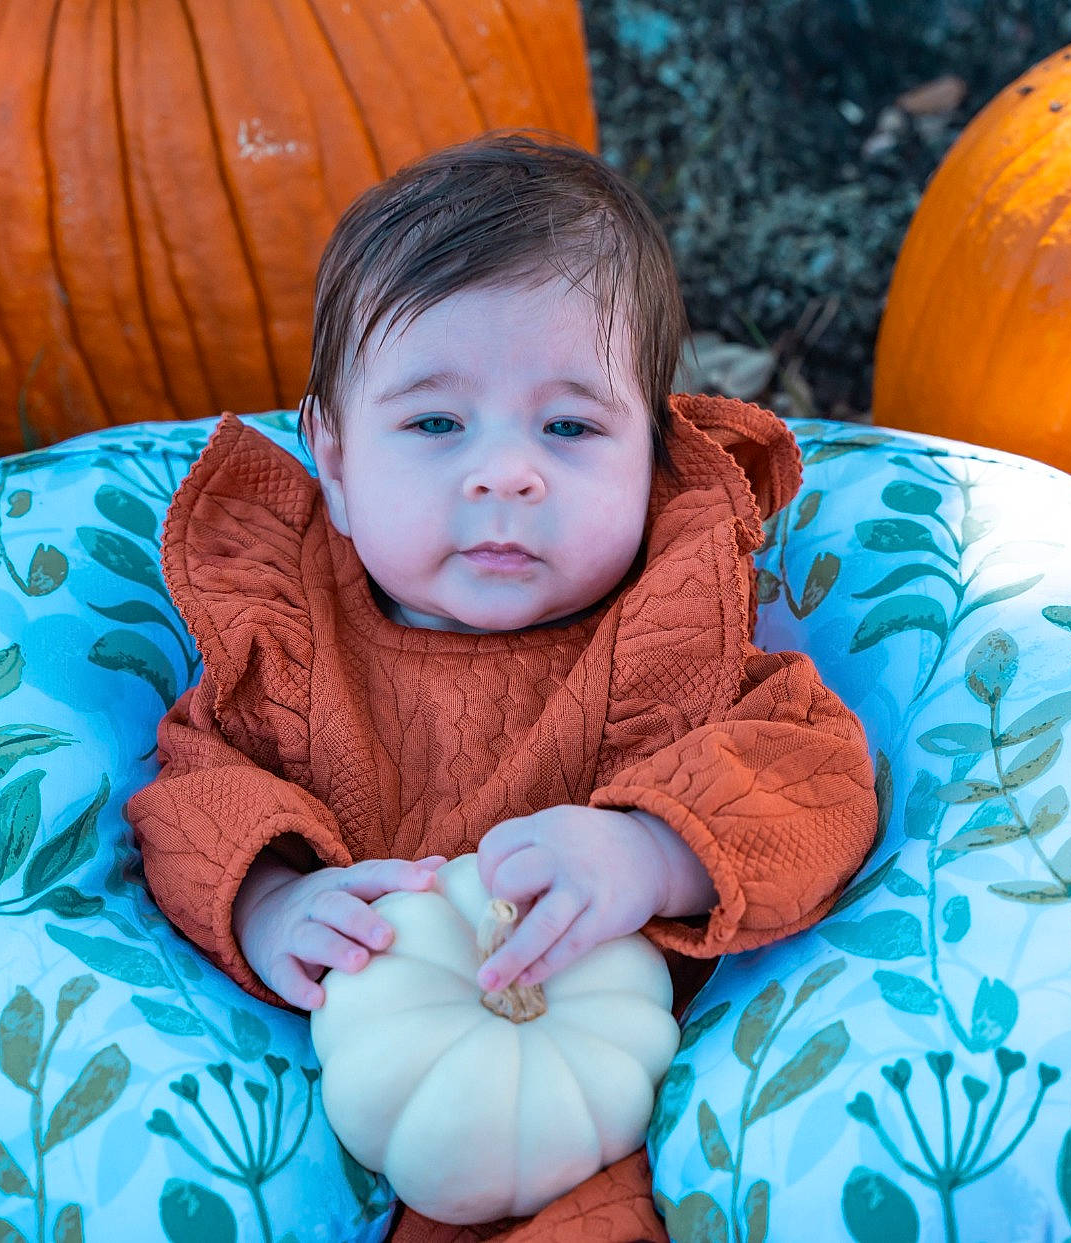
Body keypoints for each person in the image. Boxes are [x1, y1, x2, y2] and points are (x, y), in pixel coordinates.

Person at [124, 130, 878, 1242]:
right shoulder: (290, 639)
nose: (504, 470)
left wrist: (649, 851)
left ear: (650, 462)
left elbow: (812, 770)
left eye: (569, 427)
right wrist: (270, 898)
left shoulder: (668, 631)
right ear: (332, 465)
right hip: (342, 1107)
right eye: (434, 423)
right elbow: (189, 788)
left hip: (615, 1125)